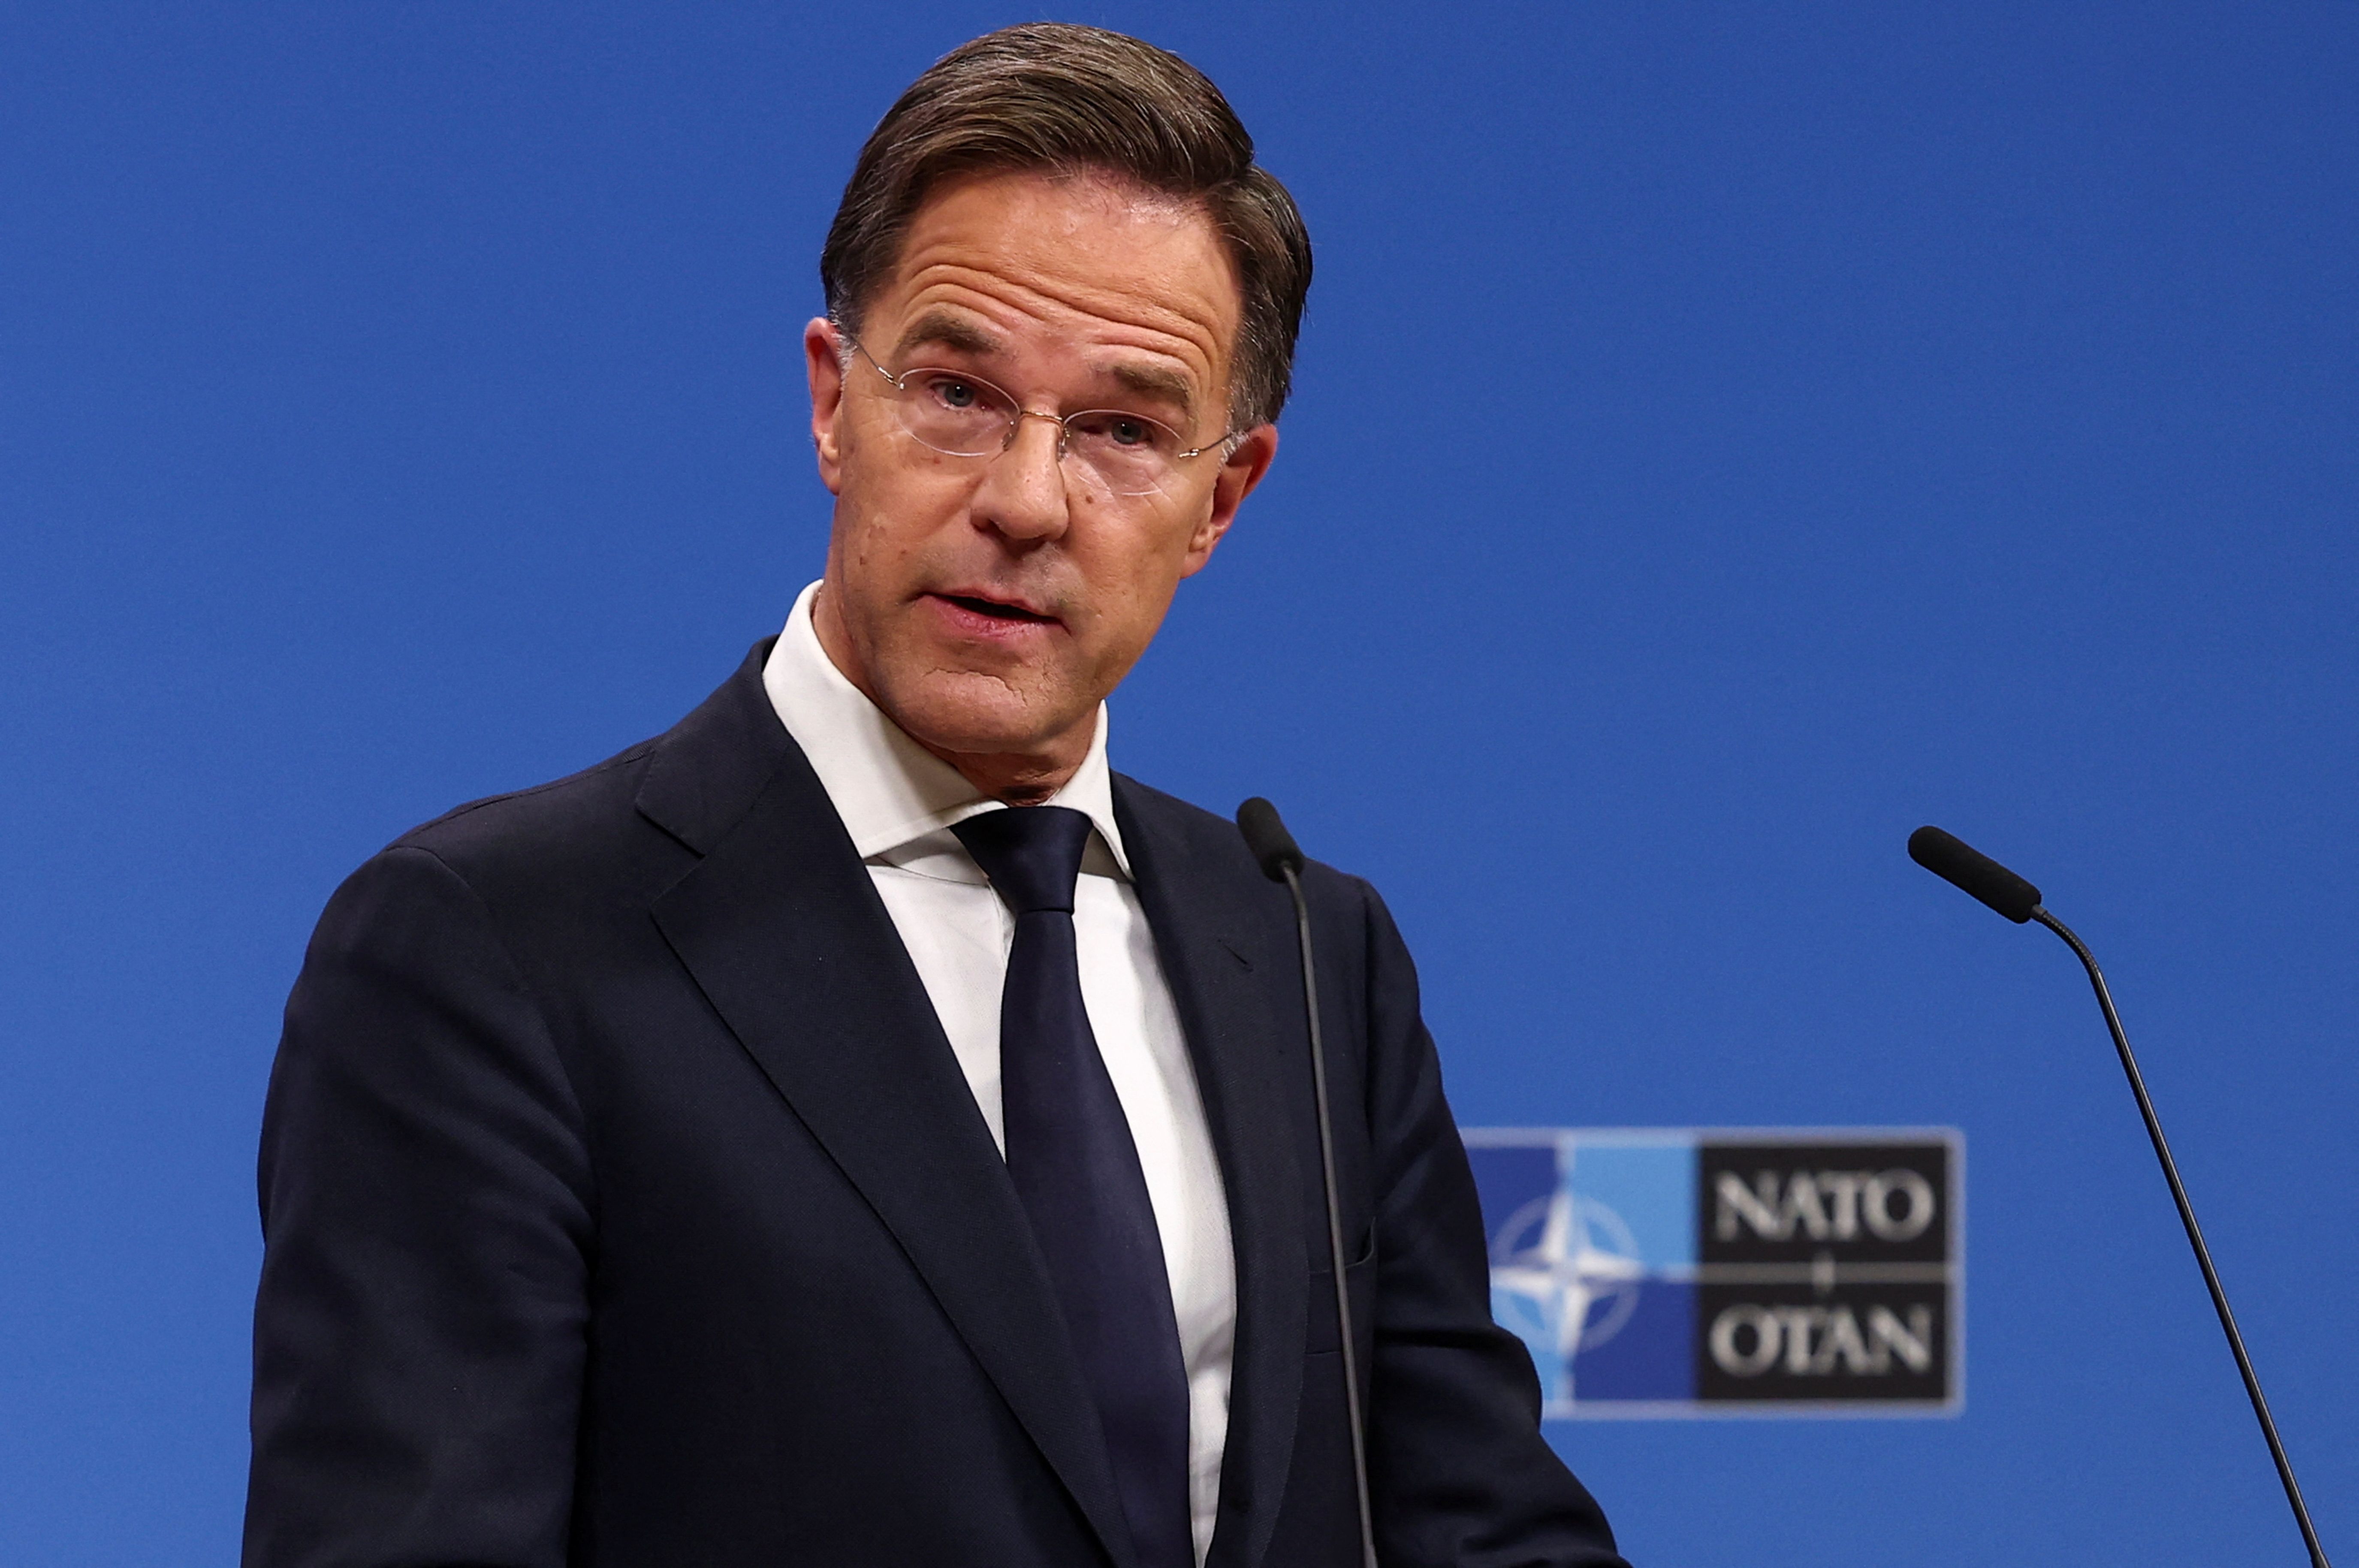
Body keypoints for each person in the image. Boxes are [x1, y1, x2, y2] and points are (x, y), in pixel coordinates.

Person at [244, 23, 1628, 1568]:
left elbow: (1479, 1530)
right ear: (835, 403)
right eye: (958, 391)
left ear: (1220, 498)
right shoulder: (494, 947)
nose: (1026, 500)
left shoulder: (1310, 958)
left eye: (1120, 430)